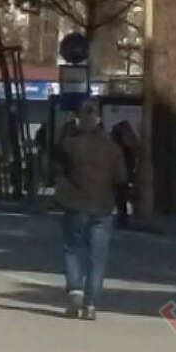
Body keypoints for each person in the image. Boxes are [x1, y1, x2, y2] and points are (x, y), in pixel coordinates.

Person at [52, 99, 126, 321]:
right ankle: (91, 303)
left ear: (78, 119)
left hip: (74, 204)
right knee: (98, 256)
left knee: (73, 248)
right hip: (103, 207)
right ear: (99, 120)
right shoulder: (112, 148)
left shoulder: (68, 144)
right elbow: (121, 177)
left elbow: (55, 168)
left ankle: (75, 290)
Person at [109, 120, 138, 229]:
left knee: (121, 196)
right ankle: (122, 218)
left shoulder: (115, 146)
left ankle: (122, 217)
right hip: (121, 174)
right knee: (121, 196)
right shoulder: (118, 147)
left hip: (121, 174)